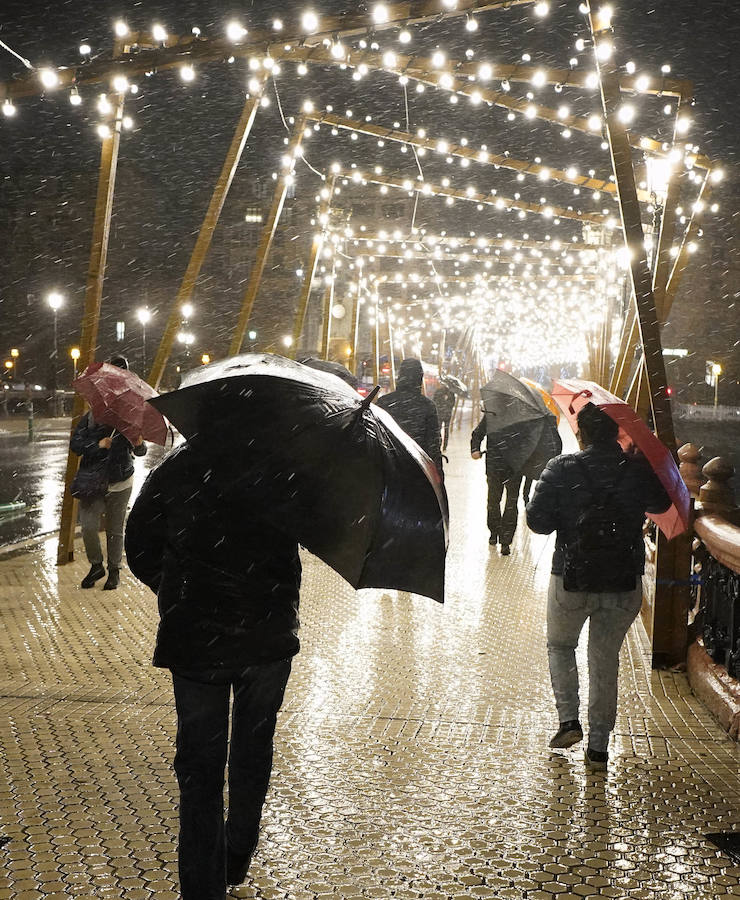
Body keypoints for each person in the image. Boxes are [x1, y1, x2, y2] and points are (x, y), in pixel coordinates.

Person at [124, 436, 301, 900]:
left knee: (200, 769)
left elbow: (138, 544)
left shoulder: (177, 468)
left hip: (195, 642)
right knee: (252, 750)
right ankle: (237, 852)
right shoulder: (283, 468)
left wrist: (176, 588)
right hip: (265, 640)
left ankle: (203, 887)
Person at [526, 403, 670, 772]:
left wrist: (568, 514)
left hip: (572, 576)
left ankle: (568, 721)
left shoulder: (562, 468)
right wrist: (643, 464)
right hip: (622, 580)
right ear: (616, 433)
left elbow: (537, 522)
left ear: (582, 433)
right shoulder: (635, 470)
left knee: (560, 645)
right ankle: (600, 747)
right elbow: (661, 501)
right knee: (605, 658)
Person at [70, 355, 146, 590]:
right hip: (93, 480)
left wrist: (138, 442)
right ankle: (96, 565)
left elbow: (141, 451)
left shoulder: (131, 416)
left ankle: (114, 570)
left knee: (115, 530)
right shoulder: (92, 416)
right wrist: (98, 445)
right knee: (89, 527)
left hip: (120, 479)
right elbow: (76, 445)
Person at [376, 358, 442, 472]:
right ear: (419, 378)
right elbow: (433, 445)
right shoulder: (427, 406)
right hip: (417, 470)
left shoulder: (384, 403)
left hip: (389, 469)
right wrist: (438, 476)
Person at [470, 418, 523, 555]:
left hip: (514, 466)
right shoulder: (493, 413)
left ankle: (505, 540)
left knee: (510, 502)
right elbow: (477, 433)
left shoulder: (523, 416)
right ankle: (494, 531)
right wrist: (475, 448)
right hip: (497, 464)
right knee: (494, 500)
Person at [433, 383, 456, 452]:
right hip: (446, 414)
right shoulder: (451, 393)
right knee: (445, 430)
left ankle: (440, 445)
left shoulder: (439, 391)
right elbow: (452, 404)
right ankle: (444, 447)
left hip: (441, 414)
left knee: (439, 430)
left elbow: (435, 402)